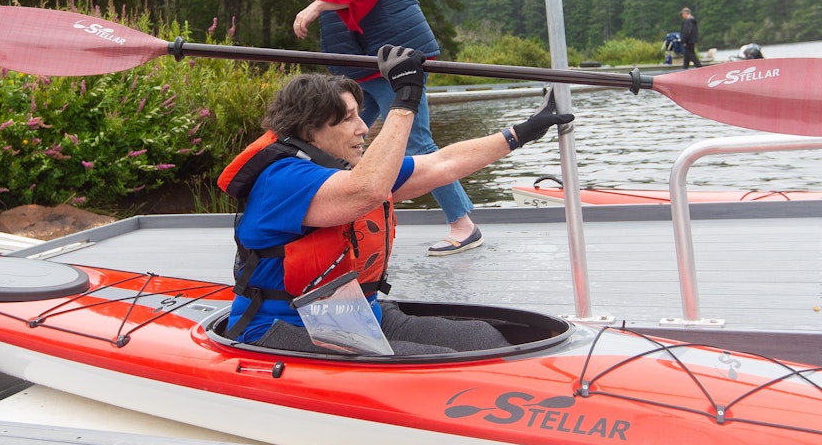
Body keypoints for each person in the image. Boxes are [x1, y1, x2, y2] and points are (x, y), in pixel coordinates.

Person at [218, 46, 573, 356]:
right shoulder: (283, 180)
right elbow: (366, 191)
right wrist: (405, 99)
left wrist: (522, 132)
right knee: (433, 365)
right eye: (348, 119)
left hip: (354, 316)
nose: (363, 127)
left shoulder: (346, 170)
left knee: (484, 337)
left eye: (360, 114)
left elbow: (441, 163)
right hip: (279, 330)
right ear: (311, 131)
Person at [292, 0, 482, 256]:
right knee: (343, 136)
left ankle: (463, 223)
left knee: (414, 140)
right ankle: (334, 215)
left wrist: (315, 7)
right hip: (365, 57)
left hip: (393, 56)